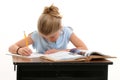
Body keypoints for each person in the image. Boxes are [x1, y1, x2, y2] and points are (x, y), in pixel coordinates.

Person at [9, 5, 88, 56]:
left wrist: (60, 51)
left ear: (60, 28)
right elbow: (11, 47)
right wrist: (19, 50)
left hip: (62, 68)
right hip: (42, 69)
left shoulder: (66, 32)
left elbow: (84, 48)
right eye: (44, 36)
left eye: (52, 36)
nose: (48, 39)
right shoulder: (36, 35)